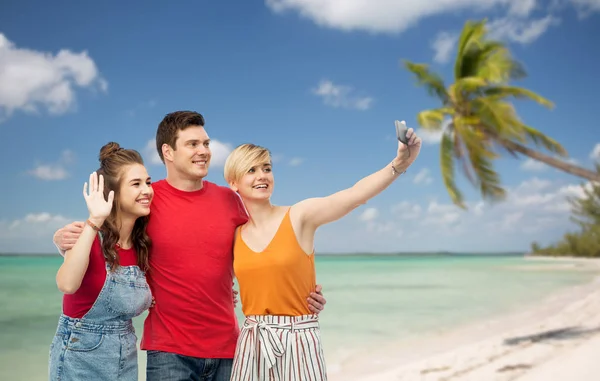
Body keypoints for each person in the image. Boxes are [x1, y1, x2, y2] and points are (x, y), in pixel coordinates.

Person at [53, 111, 327, 381]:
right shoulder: (147, 201)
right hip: (169, 353)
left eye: (206, 144)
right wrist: (64, 237)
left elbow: (267, 248)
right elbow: (113, 230)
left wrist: (301, 296)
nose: (204, 151)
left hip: (229, 349)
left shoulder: (230, 201)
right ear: (168, 152)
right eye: (193, 144)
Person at [222, 123, 422, 380]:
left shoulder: (299, 216)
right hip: (253, 342)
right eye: (252, 170)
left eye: (267, 168)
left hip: (300, 340)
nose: (262, 176)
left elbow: (354, 195)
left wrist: (400, 164)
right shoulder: (234, 234)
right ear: (234, 183)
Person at [49, 142, 154, 381]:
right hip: (79, 357)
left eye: (148, 182)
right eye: (136, 184)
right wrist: (94, 220)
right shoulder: (90, 237)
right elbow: (67, 284)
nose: (147, 190)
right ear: (113, 192)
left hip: (125, 359)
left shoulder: (142, 246)